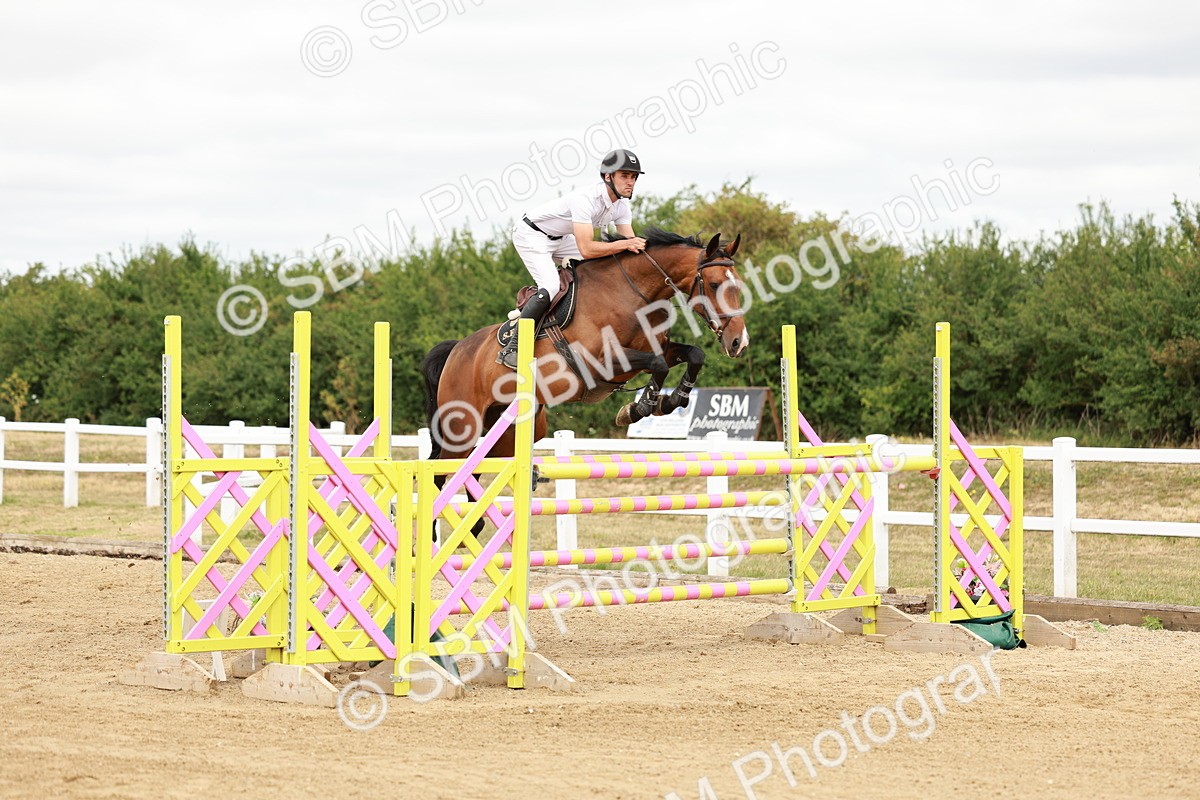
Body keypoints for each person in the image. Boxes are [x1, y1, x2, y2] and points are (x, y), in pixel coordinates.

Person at [497, 148, 649, 368]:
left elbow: (629, 246)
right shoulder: (585, 199)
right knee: (550, 286)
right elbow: (587, 249)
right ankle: (513, 346)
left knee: (599, 268)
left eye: (634, 177)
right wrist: (626, 244)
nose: (631, 182)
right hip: (531, 234)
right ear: (608, 176)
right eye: (625, 176)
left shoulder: (622, 206)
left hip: (562, 238)